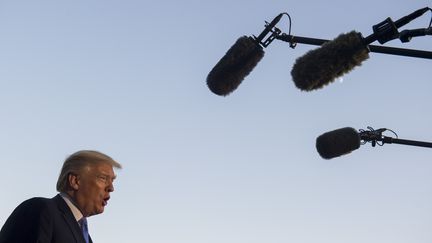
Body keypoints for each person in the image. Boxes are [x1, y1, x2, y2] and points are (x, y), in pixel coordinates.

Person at [0, 150, 122, 243]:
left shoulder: (86, 236)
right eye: (103, 178)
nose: (111, 188)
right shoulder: (40, 209)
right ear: (75, 181)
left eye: (112, 181)